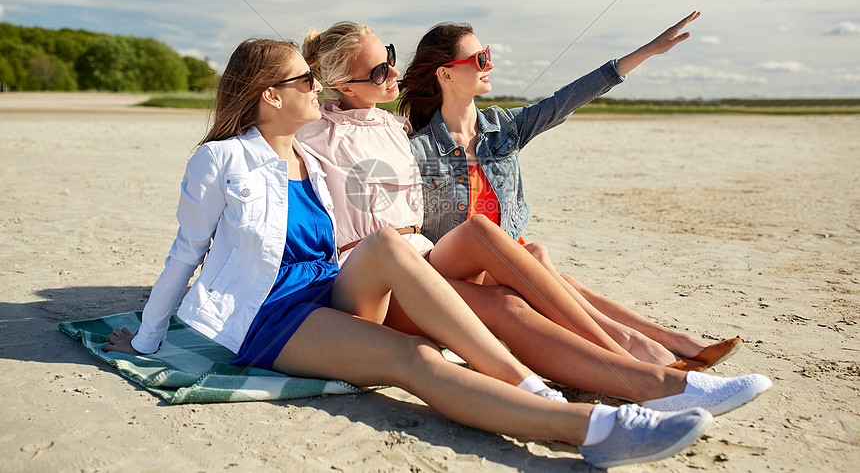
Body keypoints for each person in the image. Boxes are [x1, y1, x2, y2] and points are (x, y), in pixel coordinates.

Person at [100, 37, 717, 468]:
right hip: (275, 318)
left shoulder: (309, 156)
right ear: (268, 96)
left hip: (332, 289)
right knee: (417, 359)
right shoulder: (221, 159)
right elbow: (185, 255)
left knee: (390, 246)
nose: (318, 88)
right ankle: (585, 425)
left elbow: (367, 130)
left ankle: (583, 381)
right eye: (305, 81)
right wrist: (150, 339)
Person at [297, 21, 770, 411]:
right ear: (340, 84)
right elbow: (264, 134)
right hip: (372, 276)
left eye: (392, 59)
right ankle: (639, 363)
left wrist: (641, 54)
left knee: (499, 251)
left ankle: (643, 359)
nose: (392, 72)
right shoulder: (320, 133)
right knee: (509, 286)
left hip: (422, 257)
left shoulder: (397, 127)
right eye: (380, 68)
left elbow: (560, 103)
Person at [402, 12, 740, 368]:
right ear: (446, 73)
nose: (490, 63)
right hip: (461, 274)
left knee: (560, 277)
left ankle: (674, 342)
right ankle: (634, 348)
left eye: (487, 53)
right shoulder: (418, 148)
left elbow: (566, 100)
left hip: (511, 261)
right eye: (479, 59)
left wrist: (646, 52)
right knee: (538, 259)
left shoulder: (503, 128)